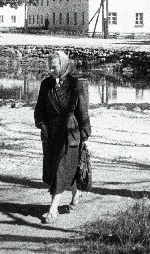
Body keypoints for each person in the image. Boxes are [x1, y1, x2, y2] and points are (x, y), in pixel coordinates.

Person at [34, 50, 91, 224]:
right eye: (49, 67)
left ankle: (53, 209)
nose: (51, 71)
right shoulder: (45, 85)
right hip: (51, 135)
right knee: (59, 170)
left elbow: (82, 111)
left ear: (64, 66)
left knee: (61, 168)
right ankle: (75, 192)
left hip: (70, 134)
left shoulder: (76, 85)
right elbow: (39, 111)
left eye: (55, 67)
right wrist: (43, 127)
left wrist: (84, 132)